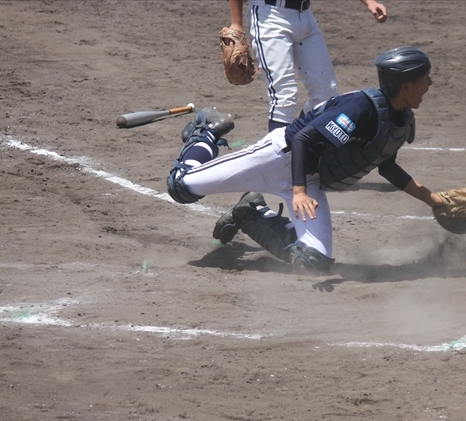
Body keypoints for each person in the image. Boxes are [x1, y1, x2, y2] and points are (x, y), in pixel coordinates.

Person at [167, 46, 443, 273]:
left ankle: (252, 212)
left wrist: (433, 200)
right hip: (278, 158)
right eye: (425, 78)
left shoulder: (398, 119)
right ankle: (207, 131)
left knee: (313, 261)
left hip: (308, 177)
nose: (429, 84)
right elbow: (303, 138)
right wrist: (298, 191)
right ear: (406, 86)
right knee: (179, 186)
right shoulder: (360, 108)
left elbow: (388, 167)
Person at [228, 0, 388, 132]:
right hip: (269, 17)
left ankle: (300, 144)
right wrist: (236, 23)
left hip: (305, 16)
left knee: (326, 95)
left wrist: (370, 2)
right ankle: (277, 156)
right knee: (284, 98)